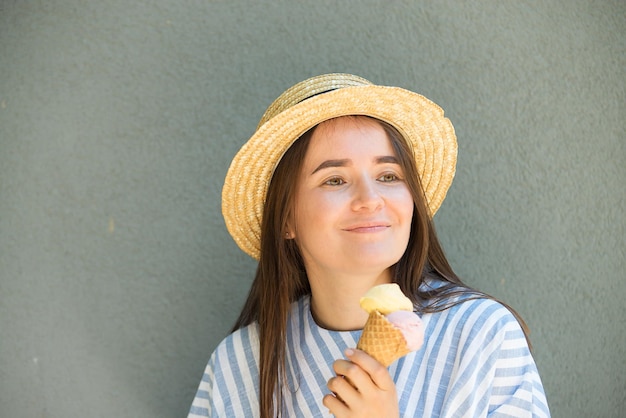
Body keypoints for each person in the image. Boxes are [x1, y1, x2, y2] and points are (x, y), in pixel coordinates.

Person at [188, 73, 550, 417]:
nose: (370, 198)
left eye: (388, 175)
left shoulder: (483, 335)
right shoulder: (238, 366)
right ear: (285, 219)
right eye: (335, 180)